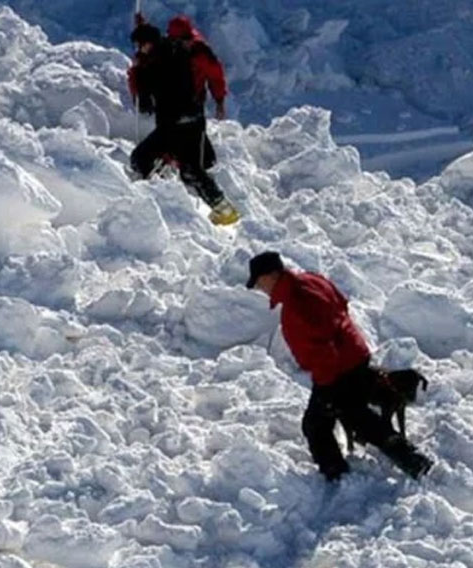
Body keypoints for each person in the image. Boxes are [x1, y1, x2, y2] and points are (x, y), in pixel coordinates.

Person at [246, 251, 434, 482]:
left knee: (318, 424)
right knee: (357, 415)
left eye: (259, 282)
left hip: (336, 369)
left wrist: (326, 388)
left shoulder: (296, 304)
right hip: (354, 354)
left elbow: (322, 345)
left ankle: (337, 475)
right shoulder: (311, 279)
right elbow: (341, 304)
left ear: (272, 275)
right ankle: (408, 450)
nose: (260, 288)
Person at [127, 13, 238, 225]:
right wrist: (143, 29)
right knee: (191, 169)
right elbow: (159, 44)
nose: (139, 49)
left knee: (141, 159)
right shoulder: (181, 51)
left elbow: (141, 95)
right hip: (194, 118)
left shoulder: (157, 63)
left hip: (173, 124)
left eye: (141, 46)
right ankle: (224, 210)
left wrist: (137, 70)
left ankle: (145, 210)